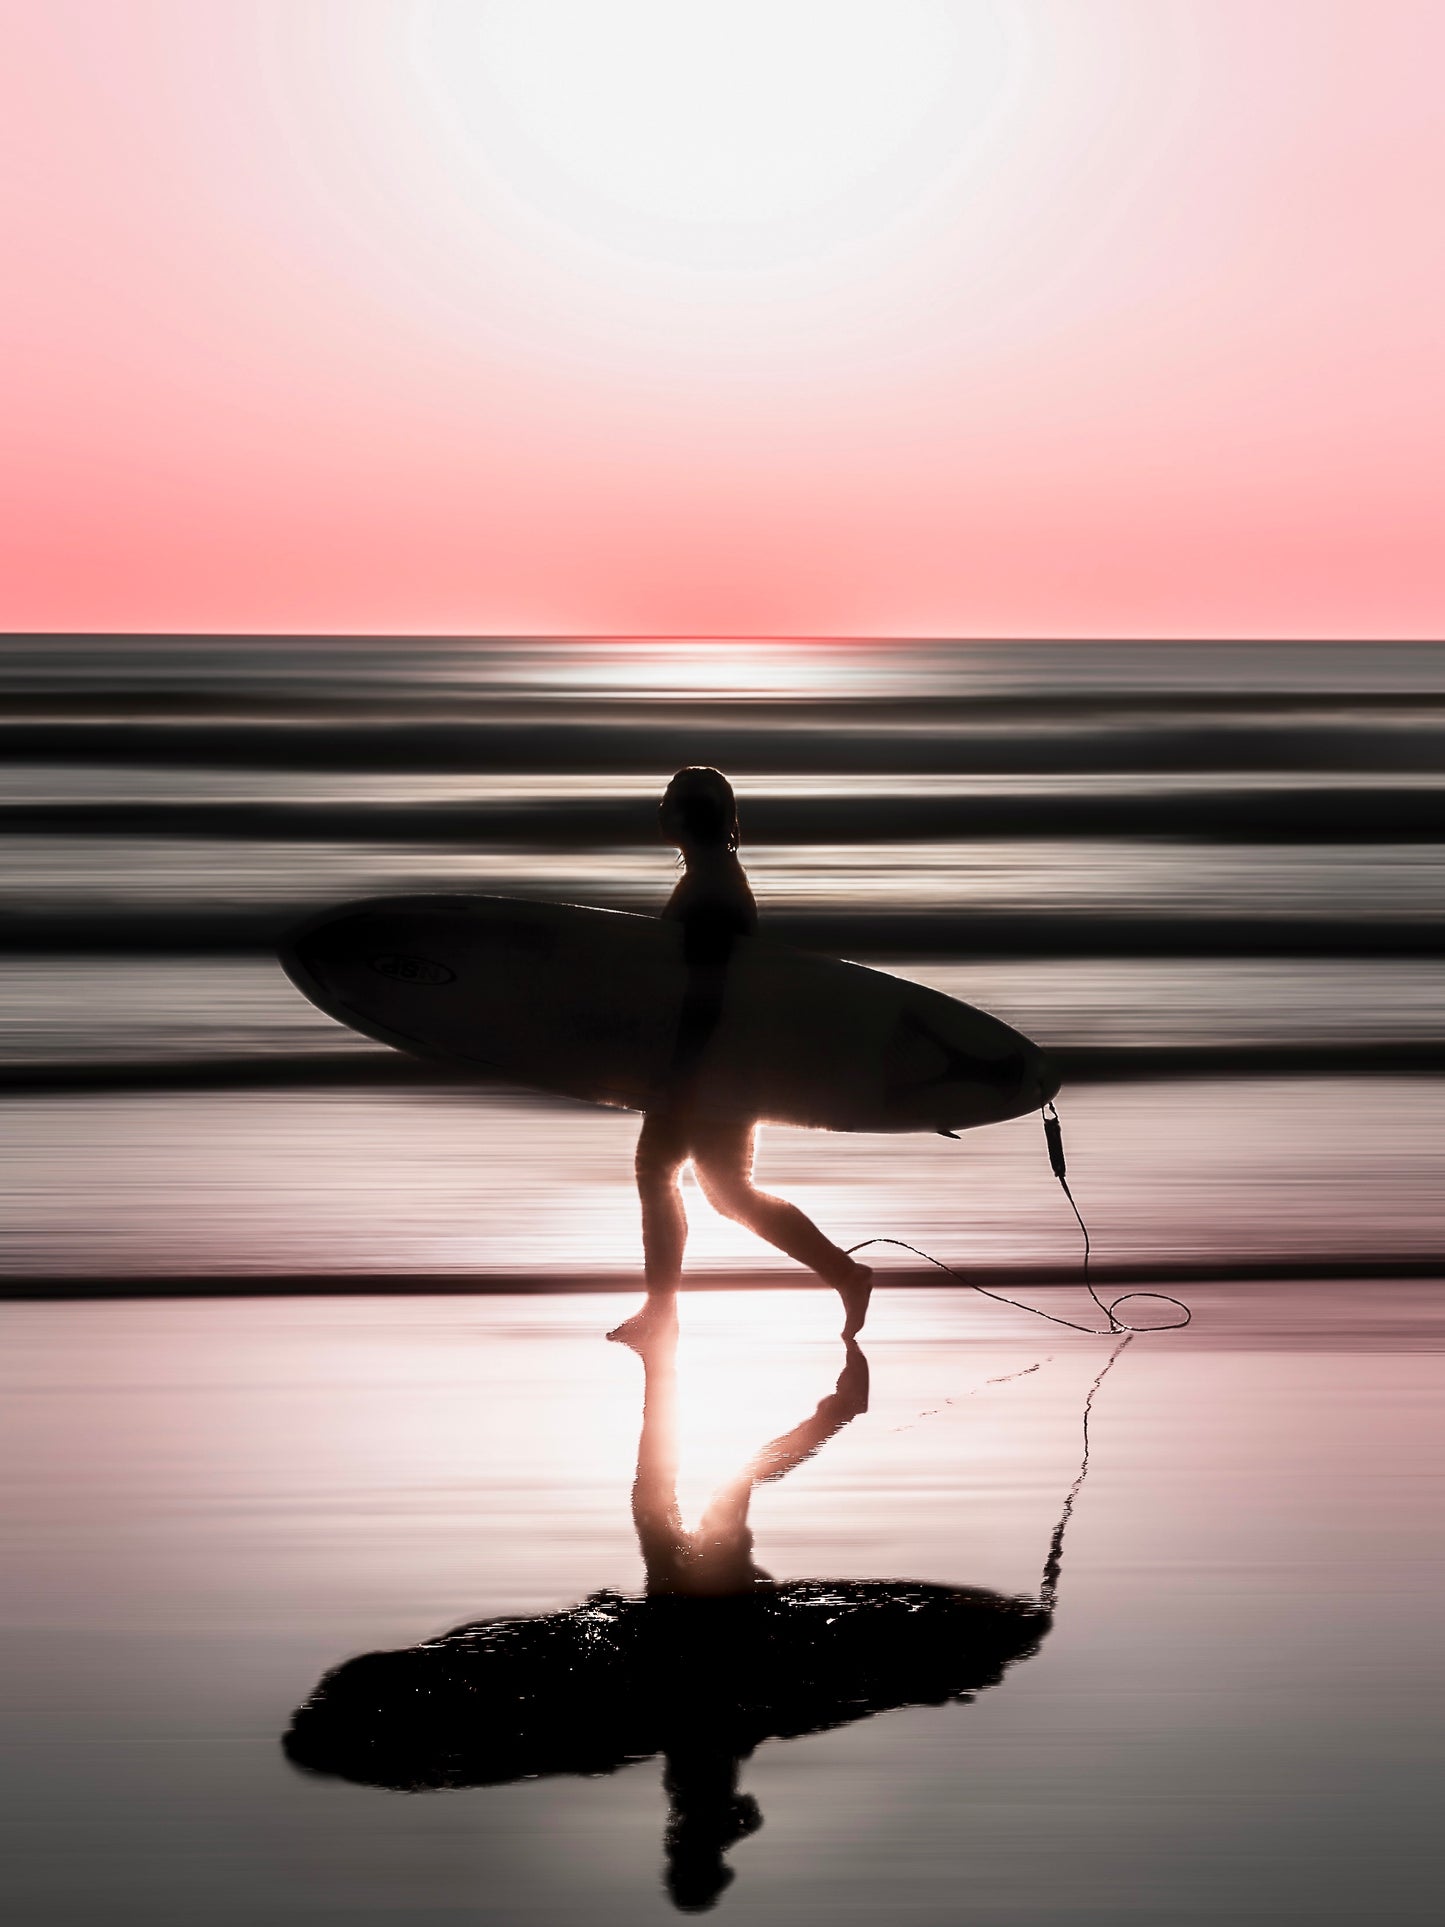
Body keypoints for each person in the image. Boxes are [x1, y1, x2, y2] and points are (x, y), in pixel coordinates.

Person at [607, 767, 872, 1344]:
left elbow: (708, 996)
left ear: (692, 817)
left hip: (712, 1068)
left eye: (669, 802)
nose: (659, 810)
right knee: (714, 1189)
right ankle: (842, 1275)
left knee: (684, 1180)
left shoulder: (711, 893)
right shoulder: (711, 878)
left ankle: (666, 1313)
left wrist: (680, 1073)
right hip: (725, 1066)